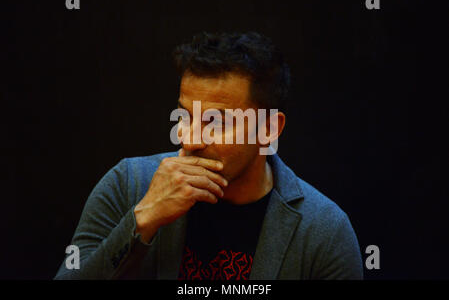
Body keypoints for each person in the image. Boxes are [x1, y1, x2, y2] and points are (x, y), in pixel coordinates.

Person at [55, 32, 363, 280]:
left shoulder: (324, 231)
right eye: (186, 116)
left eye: (216, 122)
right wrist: (143, 220)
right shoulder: (127, 185)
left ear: (270, 129)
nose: (190, 138)